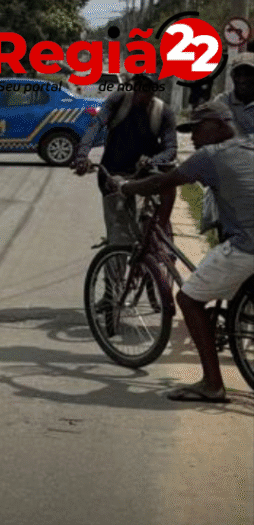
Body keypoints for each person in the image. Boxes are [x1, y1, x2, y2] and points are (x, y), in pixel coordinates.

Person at [110, 100, 254, 403]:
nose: (194, 138)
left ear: (219, 123)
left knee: (188, 299)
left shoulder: (209, 156)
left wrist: (125, 188)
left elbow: (163, 181)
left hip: (248, 245)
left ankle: (212, 385)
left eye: (197, 130)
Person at [73, 73, 178, 245]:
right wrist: (82, 155)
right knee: (119, 235)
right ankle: (116, 263)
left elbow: (171, 149)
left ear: (154, 91)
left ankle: (157, 253)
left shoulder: (163, 112)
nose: (141, 93)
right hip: (113, 173)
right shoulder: (118, 101)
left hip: (144, 175)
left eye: (147, 89)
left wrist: (153, 160)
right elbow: (96, 124)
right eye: (138, 86)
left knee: (150, 229)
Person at [210, 52, 254, 138]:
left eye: (248, 74)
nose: (242, 80)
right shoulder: (222, 102)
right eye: (238, 74)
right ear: (232, 77)